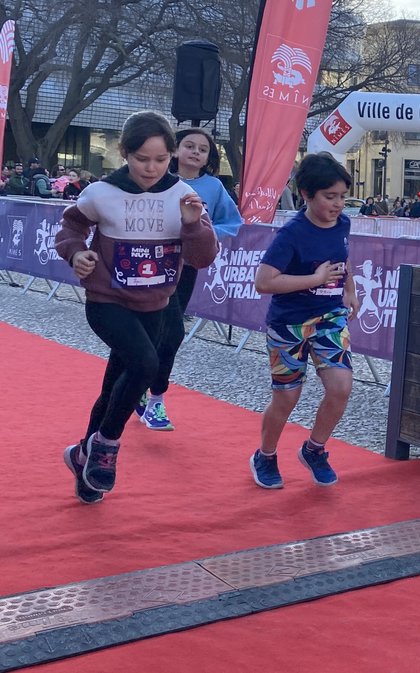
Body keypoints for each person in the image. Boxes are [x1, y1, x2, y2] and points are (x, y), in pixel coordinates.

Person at [55, 111, 218, 504]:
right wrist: (77, 254)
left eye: (160, 159)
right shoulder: (101, 192)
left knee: (115, 386)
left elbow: (203, 257)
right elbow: (70, 229)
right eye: (141, 158)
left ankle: (83, 458)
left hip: (156, 304)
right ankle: (107, 446)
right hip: (107, 300)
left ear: (172, 156)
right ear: (124, 153)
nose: (151, 168)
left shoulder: (183, 196)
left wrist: (194, 225)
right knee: (145, 365)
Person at [250, 152, 360, 489]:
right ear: (307, 194)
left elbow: (342, 258)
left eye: (343, 196)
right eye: (330, 197)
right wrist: (314, 279)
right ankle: (265, 456)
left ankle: (315, 449)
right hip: (289, 324)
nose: (339, 204)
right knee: (286, 397)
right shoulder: (291, 234)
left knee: (341, 388)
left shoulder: (343, 224)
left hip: (329, 318)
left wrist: (350, 289)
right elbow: (264, 281)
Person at [132, 127, 245, 430]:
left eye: (203, 149)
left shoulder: (214, 188)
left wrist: (205, 236)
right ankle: (138, 386)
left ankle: (154, 397)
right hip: (151, 263)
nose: (195, 152)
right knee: (153, 328)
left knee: (171, 332)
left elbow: (232, 222)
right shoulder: (157, 179)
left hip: (186, 267)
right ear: (175, 149)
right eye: (189, 146)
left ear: (209, 157)